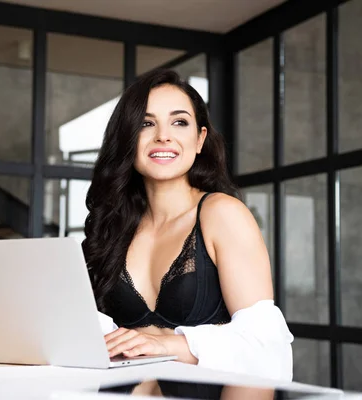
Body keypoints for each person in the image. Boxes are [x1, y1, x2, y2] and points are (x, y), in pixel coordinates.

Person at [82, 69, 293, 381]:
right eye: (146, 123)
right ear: (127, 138)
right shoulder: (114, 225)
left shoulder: (221, 214)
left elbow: (266, 351)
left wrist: (168, 344)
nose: (163, 136)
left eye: (179, 122)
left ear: (199, 139)